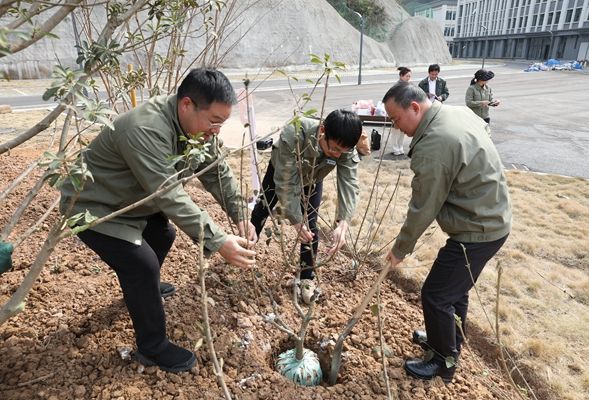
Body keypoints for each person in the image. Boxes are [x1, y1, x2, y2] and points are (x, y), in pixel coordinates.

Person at [60, 68, 257, 373]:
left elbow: (217, 171)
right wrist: (218, 241)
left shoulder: (196, 129)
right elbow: (168, 194)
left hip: (130, 197)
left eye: (222, 122)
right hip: (95, 205)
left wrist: (240, 214)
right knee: (142, 264)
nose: (216, 130)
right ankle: (152, 347)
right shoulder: (146, 128)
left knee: (162, 237)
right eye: (214, 121)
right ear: (187, 105)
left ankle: (141, 291)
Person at [382, 81, 512, 383]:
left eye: (396, 119)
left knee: (436, 295)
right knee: (453, 291)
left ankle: (443, 361)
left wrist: (400, 249)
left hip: (479, 228)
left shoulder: (433, 145)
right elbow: (484, 132)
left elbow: (423, 207)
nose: (396, 128)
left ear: (415, 108)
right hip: (490, 216)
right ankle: (449, 342)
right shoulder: (455, 113)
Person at [250, 110, 362, 303]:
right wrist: (295, 220)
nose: (336, 154)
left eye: (341, 152)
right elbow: (286, 184)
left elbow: (349, 184)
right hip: (282, 171)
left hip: (313, 178)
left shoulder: (344, 146)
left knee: (310, 227)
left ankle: (306, 278)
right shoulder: (295, 132)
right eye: (333, 148)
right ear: (322, 131)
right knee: (262, 209)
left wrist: (343, 223)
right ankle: (245, 248)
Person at [390, 67, 412, 156]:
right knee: (396, 130)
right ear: (401, 76)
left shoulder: (408, 85)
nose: (408, 78)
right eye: (407, 76)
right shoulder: (396, 86)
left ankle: (400, 147)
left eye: (409, 76)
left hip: (405, 111)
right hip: (397, 111)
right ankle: (395, 148)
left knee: (403, 130)